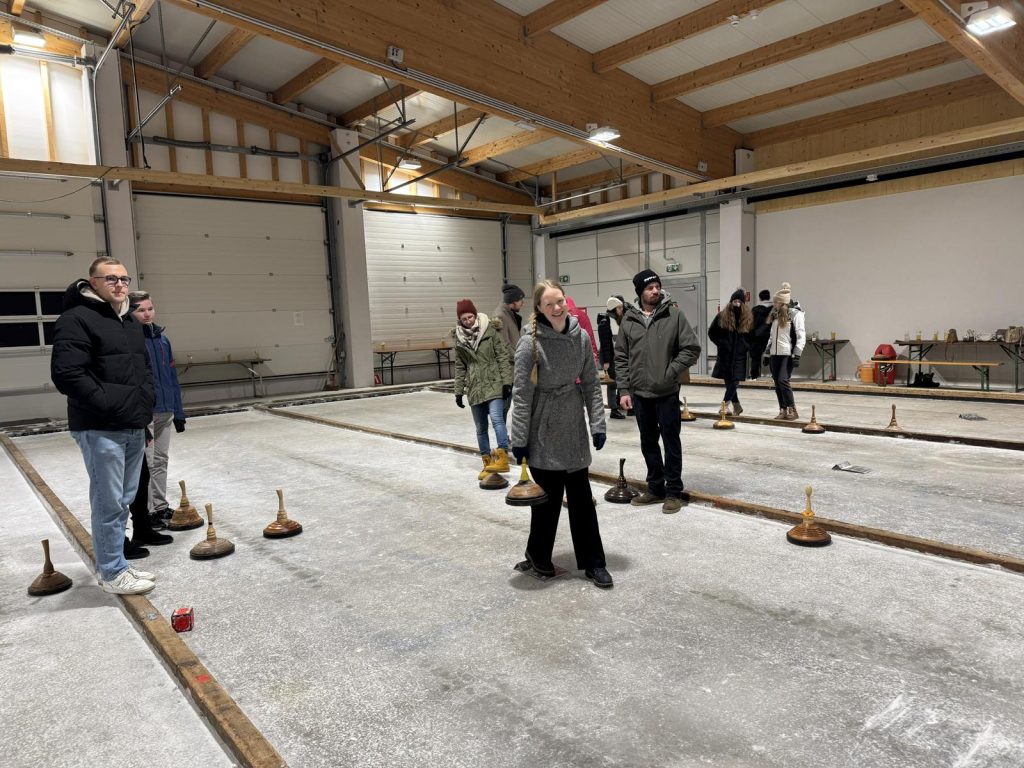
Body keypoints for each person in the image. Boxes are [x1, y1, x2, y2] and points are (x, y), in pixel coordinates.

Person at [50, 256, 157, 595]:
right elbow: (67, 374)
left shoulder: (128, 321)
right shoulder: (76, 319)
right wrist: (110, 404)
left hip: (132, 423)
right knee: (108, 501)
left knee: (124, 499)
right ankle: (111, 571)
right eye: (111, 279)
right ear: (93, 283)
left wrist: (144, 405)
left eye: (124, 279)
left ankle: (118, 563)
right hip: (100, 425)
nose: (119, 284)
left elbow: (143, 370)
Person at [510, 280, 611, 588]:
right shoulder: (529, 344)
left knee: (582, 500)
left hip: (573, 427)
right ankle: (537, 555)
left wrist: (597, 423)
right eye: (549, 304)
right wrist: (519, 439)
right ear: (539, 309)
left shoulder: (580, 337)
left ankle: (594, 563)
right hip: (543, 429)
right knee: (547, 501)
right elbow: (521, 395)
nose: (557, 308)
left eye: (560, 301)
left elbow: (591, 383)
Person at [614, 269, 701, 514]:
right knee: (648, 443)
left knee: (671, 443)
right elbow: (621, 357)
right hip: (640, 394)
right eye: (650, 288)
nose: (655, 291)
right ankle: (655, 488)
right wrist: (624, 389)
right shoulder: (629, 320)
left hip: (667, 392)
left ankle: (673, 492)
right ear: (640, 292)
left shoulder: (673, 314)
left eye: (657, 287)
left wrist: (670, 371)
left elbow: (691, 348)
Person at [129, 291, 186, 522]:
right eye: (140, 310)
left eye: (150, 309)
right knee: (148, 463)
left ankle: (160, 507)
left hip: (166, 410)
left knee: (161, 460)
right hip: (146, 413)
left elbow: (172, 377)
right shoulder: (130, 340)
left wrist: (178, 411)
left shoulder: (163, 340)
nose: (147, 314)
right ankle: (147, 512)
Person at [452, 298, 513, 478]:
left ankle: (502, 456)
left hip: (494, 382)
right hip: (475, 388)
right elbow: (460, 366)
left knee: (497, 419)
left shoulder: (490, 330)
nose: (468, 321)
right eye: (464, 319)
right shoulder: (459, 338)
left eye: (470, 317)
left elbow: (502, 356)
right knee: (480, 427)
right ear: (460, 320)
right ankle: (487, 463)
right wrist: (458, 391)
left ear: (475, 315)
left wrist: (507, 382)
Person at [708, 288, 753, 415]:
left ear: (743, 303)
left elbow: (752, 336)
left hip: (739, 355)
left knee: (735, 381)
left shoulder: (748, 317)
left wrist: (745, 346)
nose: (737, 304)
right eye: (735, 301)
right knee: (729, 381)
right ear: (731, 302)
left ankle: (725, 405)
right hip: (725, 354)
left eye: (739, 301)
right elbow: (712, 332)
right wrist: (722, 344)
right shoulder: (722, 316)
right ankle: (737, 406)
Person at [766, 282, 806, 420]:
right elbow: (772, 335)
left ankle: (792, 409)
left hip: (787, 354)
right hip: (774, 354)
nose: (774, 304)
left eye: (776, 302)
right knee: (777, 382)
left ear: (782, 302)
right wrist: (767, 352)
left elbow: (801, 336)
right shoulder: (775, 315)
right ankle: (782, 409)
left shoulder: (795, 315)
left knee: (783, 380)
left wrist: (797, 354)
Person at [492, 283, 525, 414]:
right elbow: (502, 345)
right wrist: (519, 357)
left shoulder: (509, 314)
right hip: (506, 371)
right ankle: (501, 429)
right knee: (503, 409)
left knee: (506, 407)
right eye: (521, 300)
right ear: (514, 301)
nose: (523, 303)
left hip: (513, 368)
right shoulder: (500, 316)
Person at [597, 295, 626, 419]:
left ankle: (619, 404)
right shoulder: (605, 322)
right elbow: (605, 344)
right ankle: (614, 409)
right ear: (613, 308)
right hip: (610, 358)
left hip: (617, 356)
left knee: (619, 381)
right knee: (612, 383)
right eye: (619, 308)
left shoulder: (616, 320)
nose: (621, 310)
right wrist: (607, 361)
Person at [565, 296, 598, 363]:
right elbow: (590, 336)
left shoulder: (557, 317)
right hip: (582, 357)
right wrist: (594, 355)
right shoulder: (582, 315)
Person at [749, 289, 772, 379]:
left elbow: (751, 325)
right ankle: (774, 377)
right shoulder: (774, 309)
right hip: (770, 336)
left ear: (760, 298)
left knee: (755, 357)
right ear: (769, 297)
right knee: (772, 357)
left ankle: (754, 376)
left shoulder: (755, 310)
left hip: (757, 336)